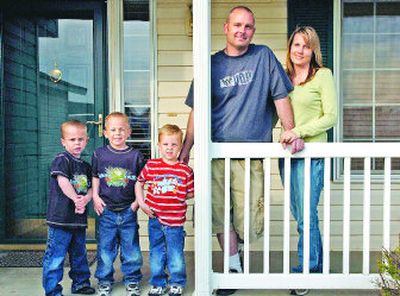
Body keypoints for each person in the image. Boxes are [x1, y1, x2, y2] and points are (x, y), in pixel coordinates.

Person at [179, 6, 302, 296]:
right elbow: (198, 110)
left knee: (249, 217)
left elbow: (281, 97)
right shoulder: (210, 65)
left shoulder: (263, 57)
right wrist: (187, 147)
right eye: (237, 25)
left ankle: (239, 252)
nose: (242, 30)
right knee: (221, 213)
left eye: (248, 26)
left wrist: (290, 130)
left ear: (253, 31)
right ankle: (233, 266)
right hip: (216, 152)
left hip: (251, 153)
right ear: (226, 28)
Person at [279, 26, 337, 295]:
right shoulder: (284, 77)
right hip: (288, 156)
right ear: (290, 47)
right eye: (296, 45)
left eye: (306, 45)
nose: (300, 50)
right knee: (301, 214)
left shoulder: (323, 76)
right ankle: (317, 266)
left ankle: (307, 271)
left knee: (305, 215)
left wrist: (298, 132)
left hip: (312, 154)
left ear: (313, 50)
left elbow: (330, 117)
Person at [135, 124, 194, 296]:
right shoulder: (152, 166)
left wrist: (175, 193)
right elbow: (139, 183)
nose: (169, 148)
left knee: (175, 254)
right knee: (156, 253)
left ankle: (177, 282)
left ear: (181, 147)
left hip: (175, 221)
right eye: (166, 144)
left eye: (174, 144)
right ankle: (158, 282)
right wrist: (142, 202)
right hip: (155, 219)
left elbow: (190, 192)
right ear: (159, 145)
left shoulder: (185, 170)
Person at [92, 112, 144, 296]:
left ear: (128, 132)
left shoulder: (135, 156)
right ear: (105, 133)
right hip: (106, 210)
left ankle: (132, 280)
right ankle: (105, 281)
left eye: (121, 129)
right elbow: (96, 177)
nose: (117, 133)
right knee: (105, 249)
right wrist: (96, 198)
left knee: (131, 249)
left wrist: (137, 203)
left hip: (128, 209)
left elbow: (141, 181)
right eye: (113, 129)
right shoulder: (99, 154)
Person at [42, 120, 95, 296]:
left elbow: (91, 187)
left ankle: (81, 283)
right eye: (72, 139)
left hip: (78, 220)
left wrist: (85, 199)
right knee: (56, 257)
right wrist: (75, 199)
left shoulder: (86, 166)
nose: (77, 143)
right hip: (60, 219)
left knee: (79, 254)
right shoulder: (62, 160)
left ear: (86, 140)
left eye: (81, 139)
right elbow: (62, 181)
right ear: (63, 142)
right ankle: (52, 290)